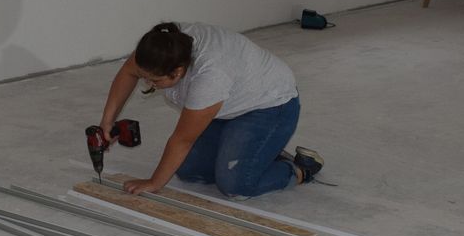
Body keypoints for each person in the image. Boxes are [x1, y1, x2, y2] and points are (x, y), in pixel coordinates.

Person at [97, 22, 323, 198]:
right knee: (188, 170)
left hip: (270, 105)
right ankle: (259, 151)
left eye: (154, 80)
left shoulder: (210, 76)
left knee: (235, 185)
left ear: (178, 71)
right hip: (229, 105)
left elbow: (182, 140)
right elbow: (128, 72)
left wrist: (154, 183)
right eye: (145, 78)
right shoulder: (162, 45)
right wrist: (107, 121)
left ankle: (298, 169)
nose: (148, 84)